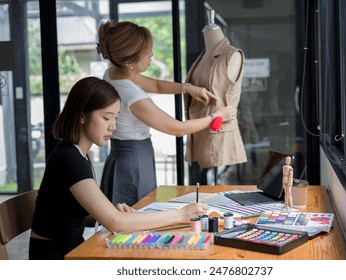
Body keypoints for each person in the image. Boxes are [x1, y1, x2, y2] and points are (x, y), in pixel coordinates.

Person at [28, 77, 208, 260]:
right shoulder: (69, 159)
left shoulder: (75, 154)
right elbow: (116, 223)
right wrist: (181, 214)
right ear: (82, 116)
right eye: (106, 117)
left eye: (116, 118)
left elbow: (71, 213)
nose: (112, 126)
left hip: (70, 250)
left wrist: (108, 210)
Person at [96, 20, 237, 206]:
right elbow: (177, 129)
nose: (151, 55)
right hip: (134, 159)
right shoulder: (130, 93)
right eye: (147, 52)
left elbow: (155, 85)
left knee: (124, 212)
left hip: (120, 155)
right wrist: (216, 116)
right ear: (130, 61)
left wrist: (188, 88)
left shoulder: (115, 72)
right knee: (137, 214)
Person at [184, 10, 247, 174]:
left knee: (216, 193)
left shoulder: (231, 55)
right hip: (198, 134)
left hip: (219, 137)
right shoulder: (202, 55)